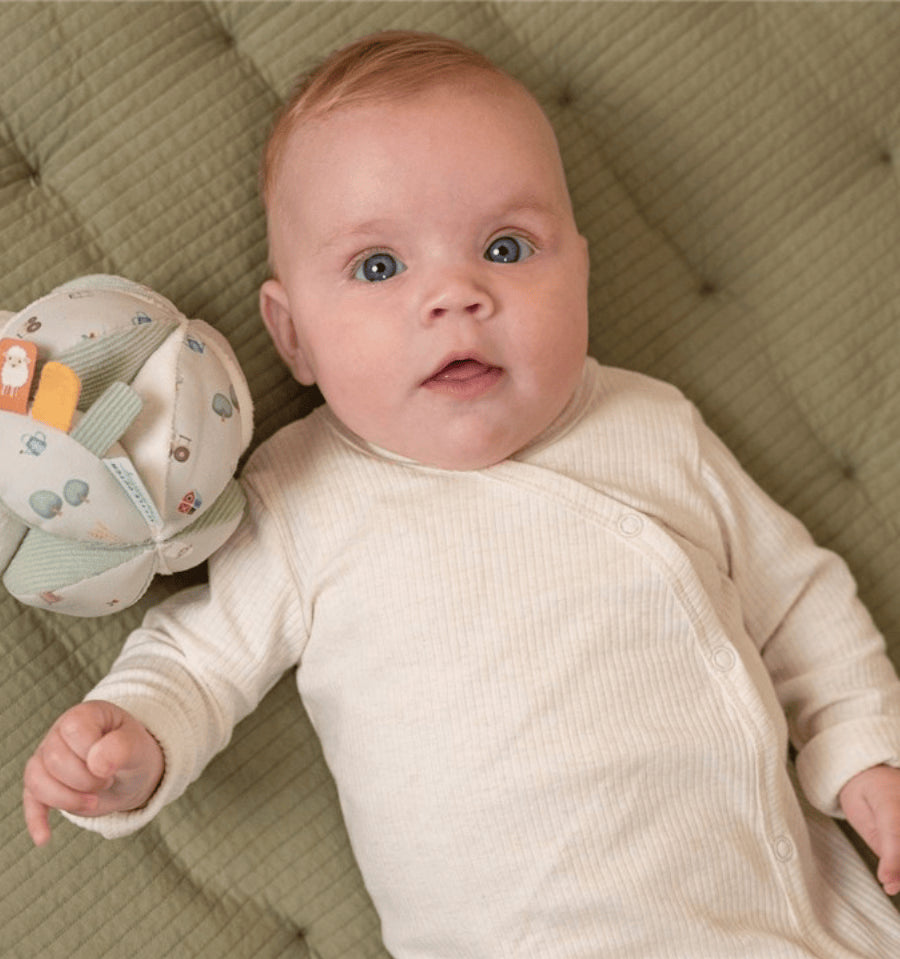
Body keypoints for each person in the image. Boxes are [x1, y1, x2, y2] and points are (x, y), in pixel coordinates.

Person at [22, 30, 900, 957]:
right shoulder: (303, 493)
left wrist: (867, 751)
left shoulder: (650, 425)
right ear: (294, 337)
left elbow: (794, 598)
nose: (456, 294)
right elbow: (200, 661)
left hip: (778, 923)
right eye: (378, 266)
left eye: (507, 247)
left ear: (581, 273)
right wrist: (133, 741)